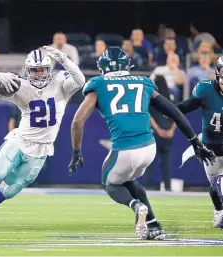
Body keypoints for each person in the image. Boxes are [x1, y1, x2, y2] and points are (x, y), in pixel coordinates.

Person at [68, 46, 215, 240]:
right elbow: (174, 112)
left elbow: (78, 121)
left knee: (110, 183)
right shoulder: (143, 82)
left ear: (103, 67)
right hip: (149, 147)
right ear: (127, 66)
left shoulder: (98, 84)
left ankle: (136, 207)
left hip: (125, 149)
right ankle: (154, 224)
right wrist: (195, 141)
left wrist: (76, 151)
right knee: (128, 180)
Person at [0, 46, 85, 228]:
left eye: (43, 69)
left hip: (41, 150)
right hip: (20, 141)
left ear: (49, 69)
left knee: (8, 191)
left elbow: (80, 79)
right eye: (35, 70)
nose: (39, 74)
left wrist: (64, 59)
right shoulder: (20, 85)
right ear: (28, 71)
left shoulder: (60, 83)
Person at [177, 56, 223, 229]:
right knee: (215, 185)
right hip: (210, 148)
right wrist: (171, 110)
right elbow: (186, 106)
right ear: (218, 72)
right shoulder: (206, 89)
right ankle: (219, 211)